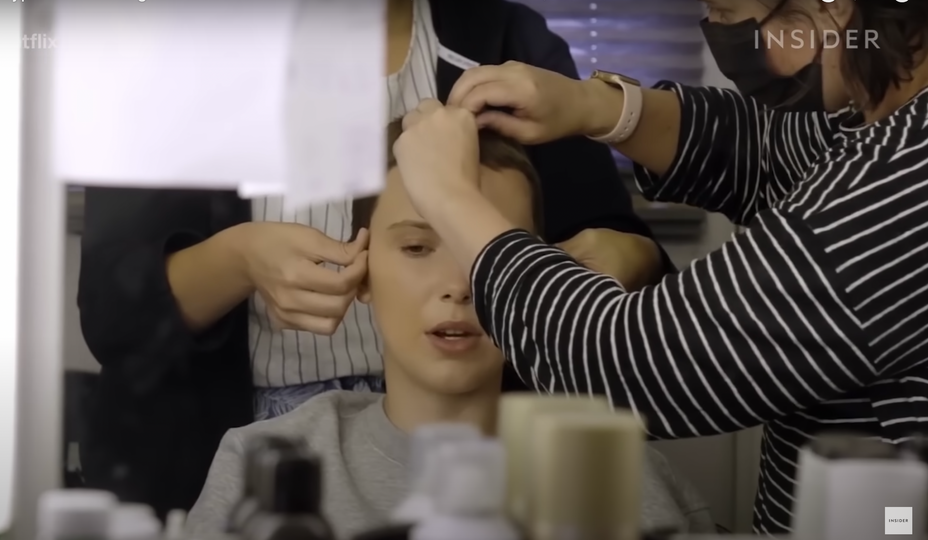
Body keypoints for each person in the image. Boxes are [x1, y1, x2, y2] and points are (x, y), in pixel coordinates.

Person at [77, 0, 670, 518]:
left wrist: (625, 257)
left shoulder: (507, 46)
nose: (454, 285)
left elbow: (619, 250)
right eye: (415, 246)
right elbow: (112, 312)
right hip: (201, 444)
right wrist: (238, 260)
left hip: (468, 442)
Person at [389, 0, 928, 534]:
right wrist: (598, 107)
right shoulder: (879, 119)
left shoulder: (903, 188)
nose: (715, 30)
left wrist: (452, 199)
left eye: (727, 11)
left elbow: (622, 364)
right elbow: (772, 153)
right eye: (415, 248)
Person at [184, 121, 716, 539]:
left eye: (487, 252)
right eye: (417, 248)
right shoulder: (263, 468)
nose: (458, 286)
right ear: (362, 270)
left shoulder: (631, 481)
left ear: (539, 275)